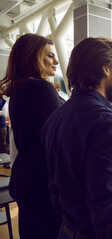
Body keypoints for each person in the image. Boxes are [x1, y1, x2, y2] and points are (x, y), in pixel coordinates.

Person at [41, 37, 112, 239]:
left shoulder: (57, 116)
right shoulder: (106, 121)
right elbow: (106, 201)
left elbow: (53, 187)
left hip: (66, 230)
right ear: (105, 68)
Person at [0, 33, 62, 238]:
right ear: (31, 57)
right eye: (50, 56)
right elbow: (58, 138)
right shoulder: (40, 87)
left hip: (26, 178)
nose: (57, 61)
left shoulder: (20, 88)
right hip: (42, 182)